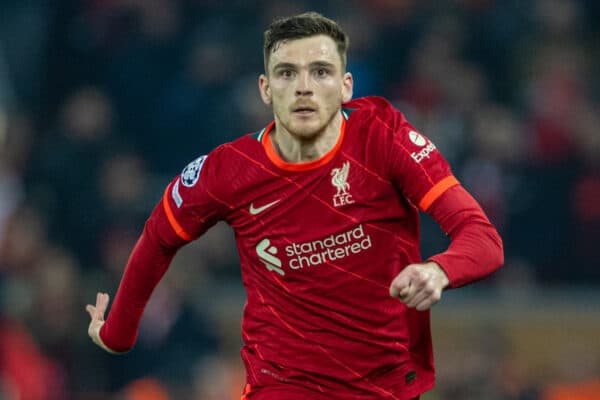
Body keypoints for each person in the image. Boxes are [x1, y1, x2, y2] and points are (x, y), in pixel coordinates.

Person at [86, 11, 503, 400]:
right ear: (266, 89)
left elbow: (483, 239)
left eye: (320, 72)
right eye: (287, 73)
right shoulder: (226, 172)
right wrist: (117, 333)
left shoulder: (383, 137)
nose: (304, 87)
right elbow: (158, 238)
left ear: (346, 86)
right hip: (282, 385)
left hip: (385, 385)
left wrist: (439, 270)